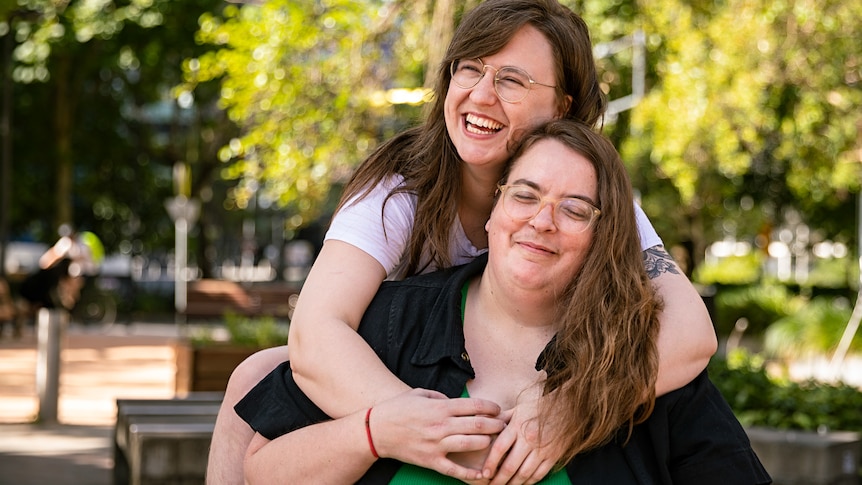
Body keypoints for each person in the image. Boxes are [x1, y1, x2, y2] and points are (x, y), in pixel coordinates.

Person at [206, 1, 718, 483]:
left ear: (562, 106)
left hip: (534, 368)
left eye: (511, 80)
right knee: (257, 374)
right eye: (469, 69)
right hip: (408, 369)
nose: (480, 95)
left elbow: (692, 331)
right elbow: (317, 333)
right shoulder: (399, 189)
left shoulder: (592, 196)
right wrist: (418, 427)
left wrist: (573, 404)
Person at [238, 119, 771, 484]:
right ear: (492, 210)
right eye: (526, 195)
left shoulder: (643, 363)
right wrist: (373, 432)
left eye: (575, 209)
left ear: (603, 239)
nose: (542, 221)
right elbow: (260, 472)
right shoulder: (391, 325)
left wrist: (581, 402)